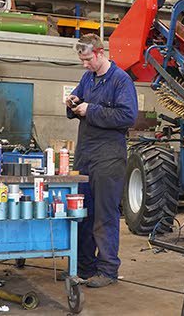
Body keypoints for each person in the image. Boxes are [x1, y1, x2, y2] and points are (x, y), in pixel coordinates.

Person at [65, 33, 138, 288]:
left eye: (87, 60)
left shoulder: (121, 80)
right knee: (82, 212)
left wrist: (90, 110)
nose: (84, 65)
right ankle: (85, 267)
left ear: (99, 52)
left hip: (108, 157)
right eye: (82, 61)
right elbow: (76, 101)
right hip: (85, 155)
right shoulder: (88, 79)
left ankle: (107, 270)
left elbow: (128, 116)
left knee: (105, 215)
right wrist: (72, 102)